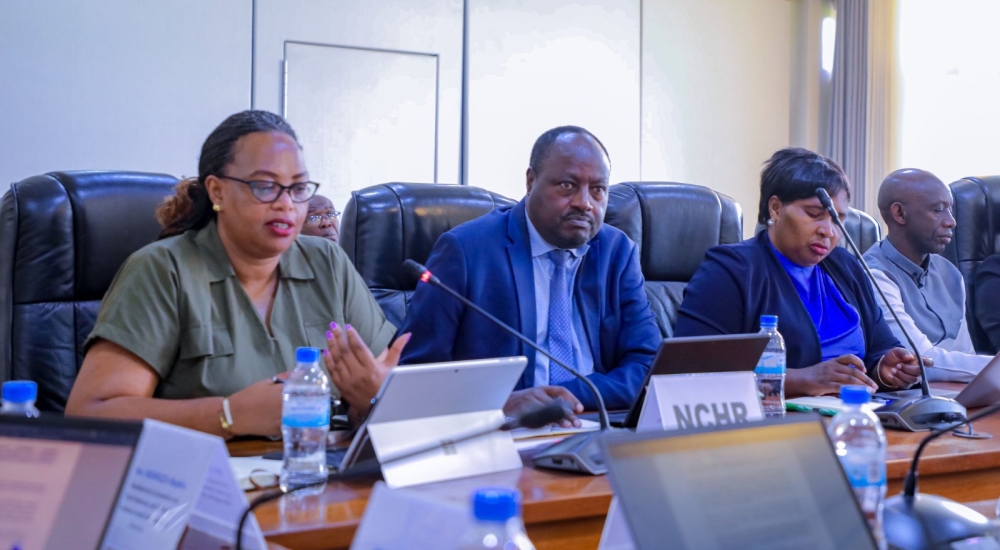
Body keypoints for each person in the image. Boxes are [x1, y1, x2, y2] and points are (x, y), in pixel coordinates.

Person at [65, 110, 404, 437]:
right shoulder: (162, 270)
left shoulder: (328, 262)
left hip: (316, 475)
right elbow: (91, 412)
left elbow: (372, 393)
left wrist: (371, 401)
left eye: (298, 188)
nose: (286, 203)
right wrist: (229, 415)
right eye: (265, 186)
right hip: (201, 482)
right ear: (217, 191)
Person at [393, 126, 660, 412]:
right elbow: (415, 376)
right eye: (568, 185)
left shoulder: (616, 252)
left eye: (598, 190)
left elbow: (648, 364)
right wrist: (503, 404)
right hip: (502, 431)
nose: (585, 203)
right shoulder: (467, 251)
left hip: (598, 420)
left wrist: (567, 398)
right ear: (531, 181)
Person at [674, 147, 924, 396]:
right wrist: (800, 379)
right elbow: (693, 371)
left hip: (854, 412)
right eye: (814, 214)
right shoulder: (731, 269)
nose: (828, 230)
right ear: (775, 208)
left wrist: (885, 368)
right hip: (775, 423)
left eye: (838, 219)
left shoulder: (845, 266)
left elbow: (881, 346)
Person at [864, 169, 990, 382]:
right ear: (900, 214)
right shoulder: (873, 274)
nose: (951, 222)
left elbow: (964, 354)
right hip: (908, 399)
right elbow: (921, 361)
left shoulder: (950, 272)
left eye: (950, 210)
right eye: (939, 210)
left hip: (952, 394)